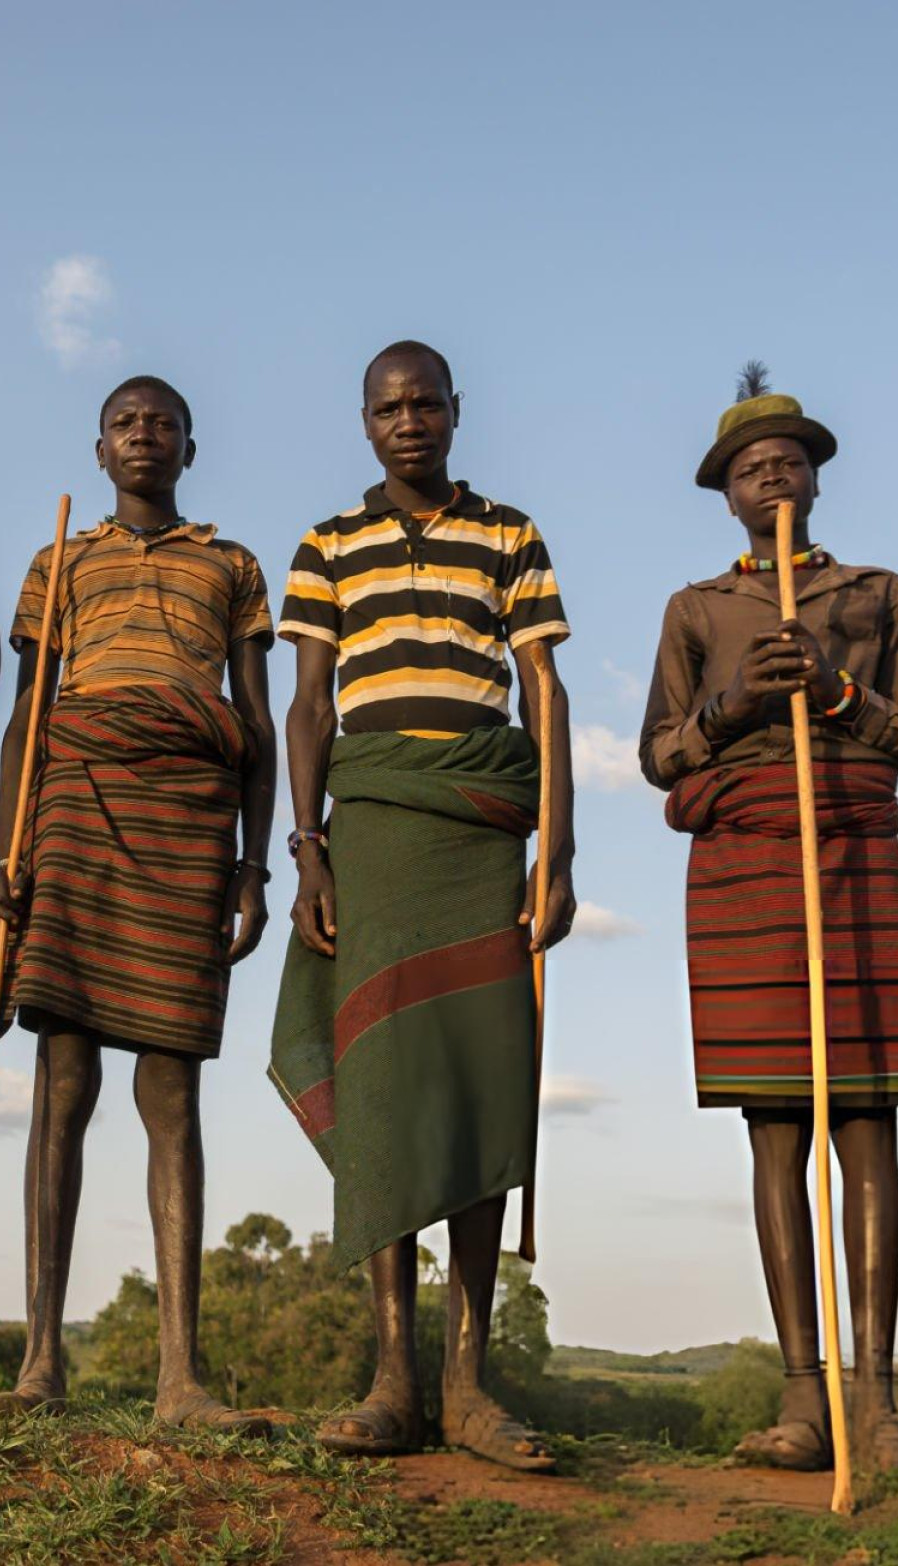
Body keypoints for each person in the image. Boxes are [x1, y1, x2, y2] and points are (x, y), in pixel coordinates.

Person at [637, 362, 898, 1472]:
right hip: (745, 865)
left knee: (867, 1116)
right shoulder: (697, 610)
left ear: (816, 479)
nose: (770, 474)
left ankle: (876, 1409)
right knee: (774, 1124)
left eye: (788, 458)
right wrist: (735, 705)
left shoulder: (875, 593)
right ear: (725, 494)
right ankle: (804, 1407)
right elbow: (657, 756)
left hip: (852, 854)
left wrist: (840, 697)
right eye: (749, 466)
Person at [270, 340, 576, 1468]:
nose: (409, 422)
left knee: (480, 1094)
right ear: (364, 422)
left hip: (483, 836)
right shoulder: (325, 543)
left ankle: (470, 1384)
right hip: (376, 835)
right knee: (390, 1095)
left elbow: (542, 688)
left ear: (456, 412)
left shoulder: (510, 533)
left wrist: (562, 854)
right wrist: (308, 851)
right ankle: (394, 1377)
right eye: (389, 408)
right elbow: (308, 707)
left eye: (427, 404)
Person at [0, 376, 276, 1429]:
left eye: (163, 423)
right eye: (125, 424)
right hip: (75, 805)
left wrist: (254, 868)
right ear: (99, 452)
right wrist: (6, 851)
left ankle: (180, 1375)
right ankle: (42, 1361)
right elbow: (23, 720)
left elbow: (258, 728)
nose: (145, 436)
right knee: (62, 1079)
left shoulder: (231, 563)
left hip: (188, 814)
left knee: (171, 1089)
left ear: (193, 444)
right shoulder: (63, 559)